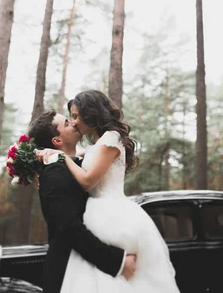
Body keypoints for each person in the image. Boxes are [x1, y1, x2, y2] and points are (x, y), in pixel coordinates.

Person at [36, 90, 180, 293]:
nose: (74, 122)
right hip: (94, 214)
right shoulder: (95, 146)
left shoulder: (111, 139)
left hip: (109, 211)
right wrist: (37, 160)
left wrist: (61, 156)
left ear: (91, 113)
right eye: (70, 120)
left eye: (76, 116)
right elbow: (77, 159)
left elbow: (86, 180)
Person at [27, 110, 137, 293]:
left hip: (88, 268)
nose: (74, 123)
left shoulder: (78, 164)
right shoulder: (55, 172)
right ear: (57, 141)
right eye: (67, 123)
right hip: (68, 272)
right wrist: (117, 261)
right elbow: (70, 229)